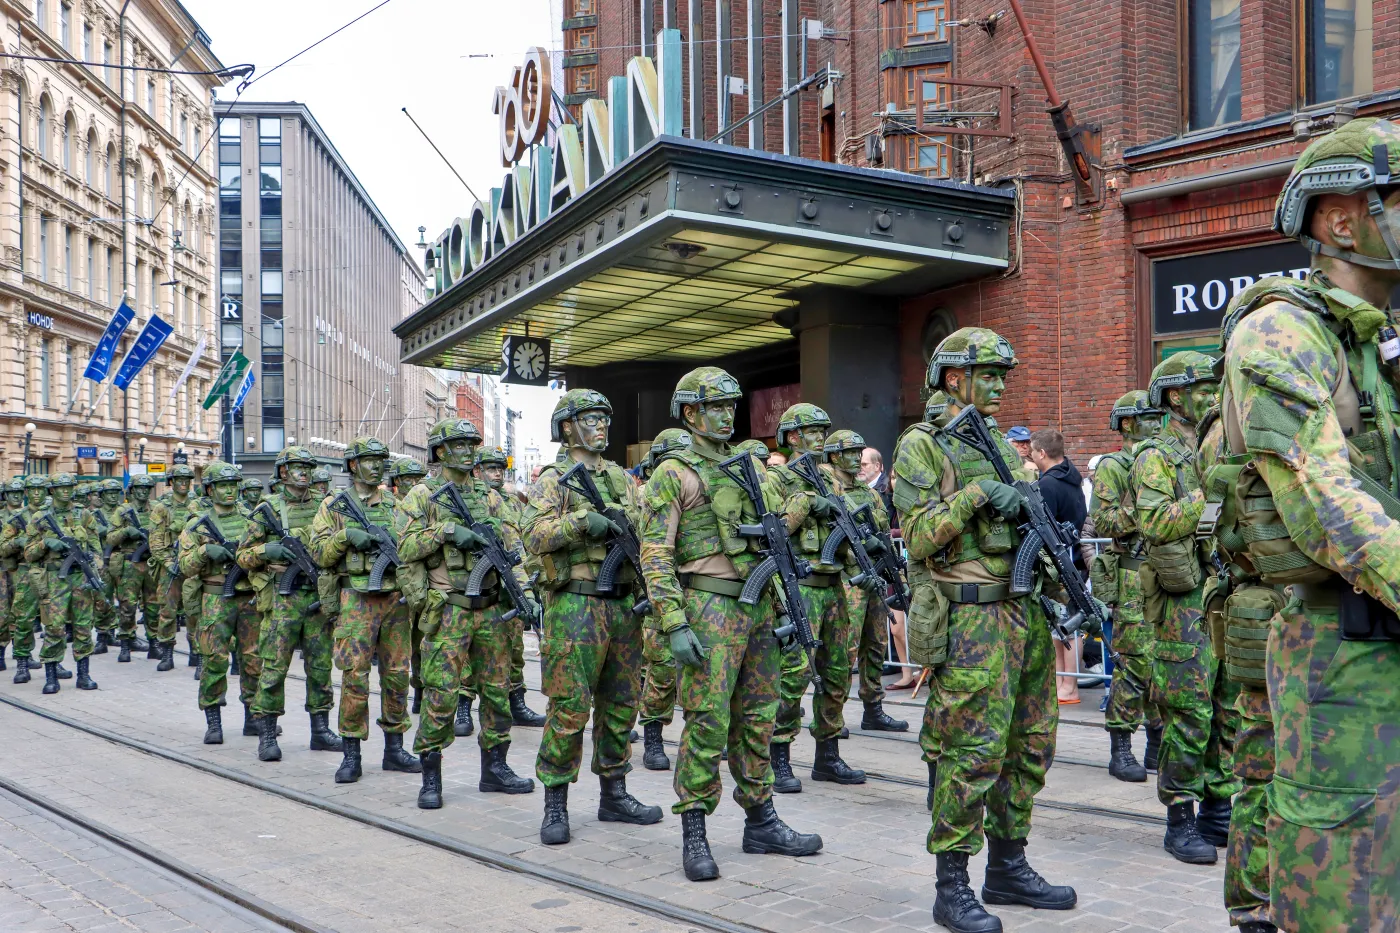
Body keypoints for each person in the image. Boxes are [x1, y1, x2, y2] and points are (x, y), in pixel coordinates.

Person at [1214, 118, 1400, 933]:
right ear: (1343, 220)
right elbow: (1333, 513)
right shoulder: (1280, 333)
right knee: (1343, 909)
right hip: (1341, 671)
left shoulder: (1377, 348)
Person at [893, 328, 1076, 933]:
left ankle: (1009, 864)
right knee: (971, 751)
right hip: (968, 614)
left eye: (1004, 373)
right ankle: (953, 885)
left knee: (1030, 742)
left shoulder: (997, 437)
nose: (1001, 384)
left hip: (1019, 611)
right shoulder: (922, 446)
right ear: (953, 378)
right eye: (989, 373)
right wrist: (976, 495)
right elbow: (918, 537)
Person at [639, 366, 821, 881]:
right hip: (708, 605)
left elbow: (773, 539)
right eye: (714, 406)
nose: (725, 415)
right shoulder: (673, 472)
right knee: (706, 721)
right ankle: (694, 829)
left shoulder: (750, 468)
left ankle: (760, 819)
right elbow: (655, 553)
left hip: (758, 603)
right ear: (690, 413)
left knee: (759, 718)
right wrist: (673, 621)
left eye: (729, 406)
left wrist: (786, 605)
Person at [523, 391, 662, 845]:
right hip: (576, 603)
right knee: (569, 706)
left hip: (623, 603)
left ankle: (614, 792)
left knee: (622, 703)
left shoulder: (623, 479)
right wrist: (582, 523)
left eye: (605, 417)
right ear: (567, 426)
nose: (601, 425)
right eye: (590, 418)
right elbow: (534, 535)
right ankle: (555, 802)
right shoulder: (554, 479)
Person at [1131, 351, 1238, 865]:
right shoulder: (1156, 457)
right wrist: (1207, 493)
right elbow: (1154, 522)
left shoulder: (1216, 445)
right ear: (1176, 395)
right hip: (1182, 603)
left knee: (1226, 705)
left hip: (1223, 590)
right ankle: (1180, 818)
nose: (1213, 396)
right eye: (1202, 388)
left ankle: (1219, 808)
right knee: (1189, 712)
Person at [401, 419, 537, 809]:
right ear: (440, 451)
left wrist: (525, 591)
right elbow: (405, 548)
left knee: (496, 692)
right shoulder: (424, 496)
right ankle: (431, 776)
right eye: (458, 444)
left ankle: (495, 768)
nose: (467, 450)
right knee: (441, 693)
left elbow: (515, 550)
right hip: (450, 608)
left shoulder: (492, 498)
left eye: (471, 444)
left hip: (492, 608)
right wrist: (445, 532)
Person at [765, 403, 867, 792]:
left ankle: (827, 755)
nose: (820, 438)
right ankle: (778, 756)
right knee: (793, 676)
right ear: (792, 437)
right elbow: (774, 530)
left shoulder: (831, 481)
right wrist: (806, 502)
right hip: (800, 588)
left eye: (824, 430)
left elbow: (846, 534)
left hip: (834, 587)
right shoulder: (778, 479)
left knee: (838, 673)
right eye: (812, 431)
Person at [309, 438, 420, 782]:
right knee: (354, 676)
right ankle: (351, 752)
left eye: (380, 461)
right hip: (356, 599)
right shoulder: (334, 505)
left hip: (394, 600)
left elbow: (412, 544)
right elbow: (318, 554)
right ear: (353, 465)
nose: (376, 466)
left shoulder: (395, 503)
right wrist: (346, 538)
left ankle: (394, 748)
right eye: (369, 461)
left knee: (398, 674)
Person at [239, 445, 344, 763]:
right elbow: (243, 554)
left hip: (317, 596)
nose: (304, 472)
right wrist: (266, 552)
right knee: (273, 666)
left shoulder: (325, 506)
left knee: (320, 665)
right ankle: (267, 733)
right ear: (282, 472)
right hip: (283, 600)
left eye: (307, 467)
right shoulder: (268, 507)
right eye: (297, 467)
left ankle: (321, 730)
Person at [1090, 391, 1163, 784]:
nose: (1158, 422)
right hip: (1134, 573)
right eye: (1149, 417)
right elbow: (1103, 523)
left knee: (1166, 662)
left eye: (1159, 416)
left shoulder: (1167, 459)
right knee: (1133, 664)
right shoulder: (1114, 466)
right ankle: (1121, 746)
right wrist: (1147, 508)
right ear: (1129, 424)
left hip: (1169, 572)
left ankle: (1157, 742)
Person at [824, 429, 907, 734]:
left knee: (876, 644)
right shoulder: (827, 490)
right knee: (844, 651)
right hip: (847, 580)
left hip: (872, 575)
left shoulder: (870, 493)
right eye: (848, 453)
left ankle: (873, 708)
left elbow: (884, 534)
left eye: (859, 453)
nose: (856, 460)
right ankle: (833, 716)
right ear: (833, 456)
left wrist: (893, 572)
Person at [180, 461, 262, 743]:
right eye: (223, 486)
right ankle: (213, 721)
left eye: (233, 485)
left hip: (249, 597)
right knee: (214, 660)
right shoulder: (197, 524)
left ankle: (253, 718)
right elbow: (185, 566)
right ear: (210, 489)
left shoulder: (252, 519)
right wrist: (205, 552)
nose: (229, 491)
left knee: (253, 660)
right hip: (215, 597)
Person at [637, 428, 695, 772]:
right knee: (661, 670)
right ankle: (653, 736)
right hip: (659, 591)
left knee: (700, 672)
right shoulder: (647, 494)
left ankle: (696, 736)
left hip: (695, 590)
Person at [476, 445, 545, 728]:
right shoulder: (470, 499)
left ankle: (517, 704)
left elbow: (521, 541)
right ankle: (464, 708)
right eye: (490, 468)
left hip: (510, 583)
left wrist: (530, 582)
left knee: (514, 649)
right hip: (478, 588)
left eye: (500, 469)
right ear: (477, 470)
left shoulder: (514, 502)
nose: (496, 473)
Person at [21, 474, 100, 693]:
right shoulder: (40, 517)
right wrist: (46, 543)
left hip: (80, 576)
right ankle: (51, 676)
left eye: (69, 487)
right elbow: (28, 554)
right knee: (54, 627)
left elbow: (96, 549)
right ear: (52, 490)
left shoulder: (84, 515)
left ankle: (83, 675)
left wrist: (94, 568)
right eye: (61, 487)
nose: (66, 491)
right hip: (55, 578)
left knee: (84, 627)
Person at [1029, 429, 1087, 704]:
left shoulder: (1048, 485)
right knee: (1062, 623)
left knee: (1067, 624)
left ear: (1041, 453)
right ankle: (1062, 681)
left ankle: (1069, 684)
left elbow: (1044, 525)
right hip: (1073, 559)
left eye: (1032, 450)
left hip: (1062, 563)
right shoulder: (1071, 478)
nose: (1030, 455)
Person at [0, 475, 55, 681]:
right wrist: (19, 542)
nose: (37, 493)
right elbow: (3, 548)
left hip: (52, 572)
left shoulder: (56, 515)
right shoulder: (17, 518)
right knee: (23, 620)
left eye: (41, 489)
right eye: (32, 490)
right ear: (27, 492)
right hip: (24, 572)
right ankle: (22, 663)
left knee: (54, 620)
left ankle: (53, 661)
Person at [151, 464, 201, 674]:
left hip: (192, 565)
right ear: (171, 482)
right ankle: (167, 653)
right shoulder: (162, 508)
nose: (183, 483)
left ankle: (196, 652)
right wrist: (168, 562)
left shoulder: (197, 505)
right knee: (167, 611)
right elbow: (155, 541)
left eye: (186, 479)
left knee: (194, 611)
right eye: (178, 479)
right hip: (170, 565)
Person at [109, 476, 164, 667]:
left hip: (151, 562)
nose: (143, 491)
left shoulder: (157, 509)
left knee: (154, 605)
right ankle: (125, 642)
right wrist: (126, 532)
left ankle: (154, 642)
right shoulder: (122, 511)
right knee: (127, 605)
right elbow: (110, 538)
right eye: (139, 488)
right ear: (132, 491)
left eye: (147, 488)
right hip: (130, 563)